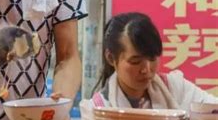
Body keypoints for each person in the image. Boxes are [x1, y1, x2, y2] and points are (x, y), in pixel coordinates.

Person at [84, 12, 217, 111]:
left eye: (152, 58)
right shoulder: (98, 109)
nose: (146, 69)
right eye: (135, 61)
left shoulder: (174, 87)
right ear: (111, 58)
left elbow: (212, 110)